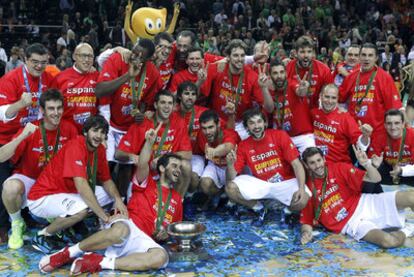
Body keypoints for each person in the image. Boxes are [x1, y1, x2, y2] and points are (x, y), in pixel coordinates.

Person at [37, 128, 184, 274]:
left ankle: (100, 262)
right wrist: (149, 143)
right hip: (129, 224)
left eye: (180, 167)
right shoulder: (148, 182)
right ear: (163, 168)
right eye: (174, 166)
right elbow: (143, 164)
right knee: (120, 231)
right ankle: (69, 253)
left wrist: (166, 234)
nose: (178, 170)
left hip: (145, 240)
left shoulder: (177, 199)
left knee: (161, 257)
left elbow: (174, 230)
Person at [27, 116, 127, 254]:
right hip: (43, 197)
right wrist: (104, 216)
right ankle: (43, 235)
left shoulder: (99, 150)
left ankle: (75, 227)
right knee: (81, 209)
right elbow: (81, 185)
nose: (99, 136)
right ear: (85, 132)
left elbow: (106, 180)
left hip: (67, 192)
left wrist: (118, 200)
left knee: (112, 197)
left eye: (102, 132)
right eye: (95, 131)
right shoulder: (76, 146)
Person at [1, 89, 78, 249]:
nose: (56, 113)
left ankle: (56, 221)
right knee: (10, 188)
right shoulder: (31, 128)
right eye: (51, 108)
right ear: (42, 110)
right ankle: (17, 223)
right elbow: (2, 157)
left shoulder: (69, 129)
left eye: (59, 108)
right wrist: (22, 136)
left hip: (55, 182)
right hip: (30, 179)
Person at [300, 146, 414, 249]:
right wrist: (306, 234)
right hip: (352, 224)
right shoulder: (307, 188)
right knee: (389, 241)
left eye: (319, 160)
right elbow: (307, 221)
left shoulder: (338, 168)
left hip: (364, 203)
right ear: (306, 165)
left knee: (411, 197)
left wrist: (366, 164)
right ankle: (408, 229)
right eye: (312, 163)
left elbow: (376, 179)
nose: (317, 165)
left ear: (324, 159)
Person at [0, 43, 55, 243]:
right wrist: (20, 104)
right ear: (25, 60)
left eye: (43, 62)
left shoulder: (49, 79)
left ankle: (28, 215)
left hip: (33, 137)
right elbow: (3, 113)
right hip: (6, 137)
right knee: (4, 181)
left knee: (34, 176)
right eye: (34, 62)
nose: (39, 66)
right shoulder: (10, 79)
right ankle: (4, 226)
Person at [96, 38, 160, 196]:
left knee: (126, 166)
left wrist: (140, 113)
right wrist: (127, 77)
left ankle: (119, 204)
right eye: (135, 51)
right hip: (108, 121)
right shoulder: (118, 59)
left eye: (141, 56)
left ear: (148, 60)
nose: (135, 56)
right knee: (106, 165)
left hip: (129, 125)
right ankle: (98, 202)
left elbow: (146, 103)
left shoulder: (153, 73)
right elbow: (99, 91)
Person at [225, 109, 309, 226]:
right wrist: (229, 165)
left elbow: (296, 164)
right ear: (246, 127)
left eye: (259, 122)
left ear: (265, 123)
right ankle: (259, 208)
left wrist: (301, 188)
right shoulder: (243, 146)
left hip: (285, 182)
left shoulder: (279, 135)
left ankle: (287, 212)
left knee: (305, 198)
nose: (256, 126)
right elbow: (231, 177)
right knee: (230, 188)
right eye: (252, 123)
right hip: (261, 183)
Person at [116, 90, 192, 197]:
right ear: (156, 105)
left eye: (170, 103)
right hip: (144, 176)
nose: (167, 106)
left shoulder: (179, 122)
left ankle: (177, 203)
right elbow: (118, 154)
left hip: (165, 174)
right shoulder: (142, 124)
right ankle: (123, 199)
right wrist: (133, 156)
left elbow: (188, 154)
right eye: (163, 103)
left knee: (185, 166)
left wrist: (163, 158)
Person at [203, 39, 269, 140]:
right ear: (228, 57)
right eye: (235, 55)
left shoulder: (252, 76)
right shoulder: (217, 68)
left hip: (240, 124)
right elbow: (201, 57)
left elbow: (266, 106)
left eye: (242, 56)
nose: (240, 59)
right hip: (216, 120)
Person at [339, 43, 402, 137]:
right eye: (363, 55)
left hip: (377, 134)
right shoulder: (351, 77)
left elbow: (394, 108)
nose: (366, 58)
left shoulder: (385, 78)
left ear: (376, 58)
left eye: (370, 55)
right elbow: (338, 98)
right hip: (354, 133)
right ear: (359, 57)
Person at [261, 60, 315, 154]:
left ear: (286, 73)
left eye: (282, 72)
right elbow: (269, 109)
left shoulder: (292, 83)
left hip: (303, 136)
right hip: (281, 137)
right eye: (275, 73)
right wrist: (264, 88)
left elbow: (300, 92)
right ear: (270, 76)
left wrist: (303, 89)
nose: (279, 76)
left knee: (313, 161)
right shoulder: (267, 88)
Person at [312, 84, 372, 163]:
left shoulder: (345, 118)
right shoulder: (313, 113)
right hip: (316, 165)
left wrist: (365, 136)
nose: (329, 101)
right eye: (327, 97)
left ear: (337, 99)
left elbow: (360, 145)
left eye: (333, 98)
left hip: (339, 164)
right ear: (320, 96)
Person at [196, 110, 239, 209]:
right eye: (204, 128)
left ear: (218, 124)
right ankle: (220, 194)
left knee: (236, 192)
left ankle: (234, 198)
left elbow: (228, 146)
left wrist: (214, 151)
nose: (207, 132)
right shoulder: (201, 135)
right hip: (215, 165)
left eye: (211, 127)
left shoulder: (229, 132)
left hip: (234, 166)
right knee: (205, 184)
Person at [52, 43, 99, 133]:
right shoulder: (60, 78)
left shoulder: (97, 77)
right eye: (83, 56)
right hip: (65, 132)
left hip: (90, 133)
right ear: (74, 57)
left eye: (90, 56)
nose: (87, 60)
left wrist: (119, 49)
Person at [174, 81, 208, 192]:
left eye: (193, 94)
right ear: (179, 96)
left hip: (196, 155)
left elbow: (222, 127)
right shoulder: (171, 113)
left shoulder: (204, 113)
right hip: (175, 153)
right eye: (187, 93)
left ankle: (187, 198)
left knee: (193, 178)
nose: (190, 97)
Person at [368, 109, 414, 185]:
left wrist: (402, 170)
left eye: (397, 123)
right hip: (389, 171)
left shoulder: (412, 135)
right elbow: (371, 160)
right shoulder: (379, 137)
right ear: (385, 125)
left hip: (409, 171)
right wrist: (374, 165)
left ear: (403, 124)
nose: (393, 127)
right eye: (389, 123)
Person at [286, 36, 333, 108]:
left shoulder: (324, 70)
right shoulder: (287, 67)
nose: (306, 55)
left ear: (313, 52)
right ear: (296, 53)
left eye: (309, 51)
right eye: (302, 52)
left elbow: (330, 95)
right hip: (292, 111)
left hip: (314, 112)